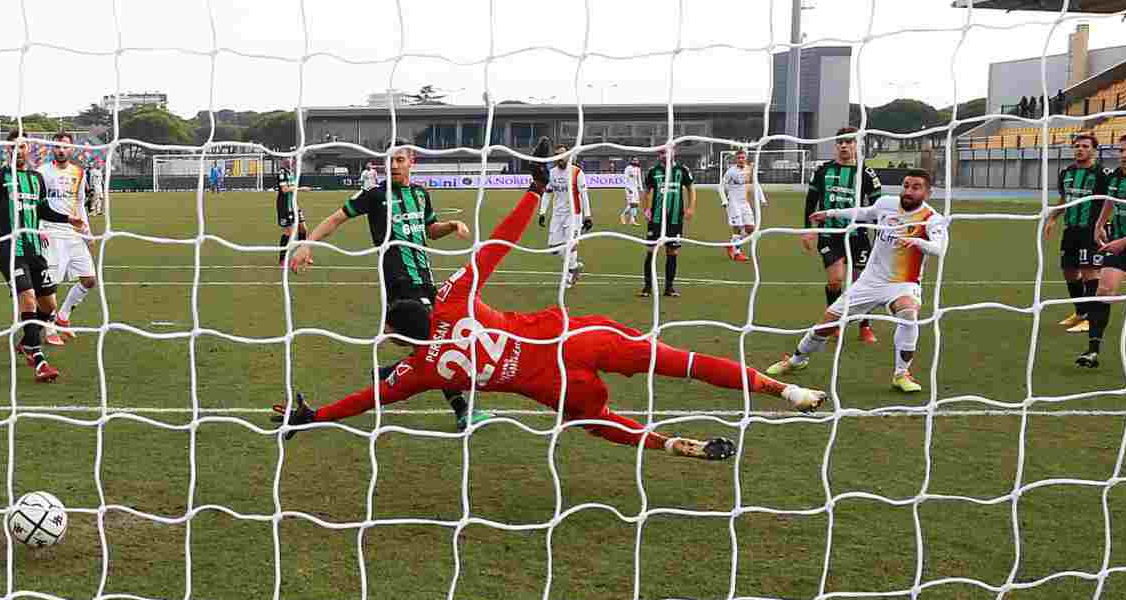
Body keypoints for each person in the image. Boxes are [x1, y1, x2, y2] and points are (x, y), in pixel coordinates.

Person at [273, 138, 827, 457]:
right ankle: (780, 388)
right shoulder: (452, 297)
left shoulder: (423, 370)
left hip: (551, 387)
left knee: (597, 419)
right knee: (679, 363)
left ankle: (673, 445)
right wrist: (535, 185)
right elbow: (503, 239)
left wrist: (314, 415)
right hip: (575, 339)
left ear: (401, 337)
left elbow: (369, 398)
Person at [288, 139, 489, 431]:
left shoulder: (421, 194)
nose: (393, 165)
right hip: (399, 286)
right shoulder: (374, 194)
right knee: (438, 344)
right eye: (389, 160)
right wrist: (307, 244)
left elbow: (430, 230)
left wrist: (452, 226)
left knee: (438, 344)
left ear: (412, 162)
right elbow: (336, 218)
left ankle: (388, 373)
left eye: (400, 160)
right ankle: (462, 411)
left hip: (427, 284)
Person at [767, 169, 948, 394]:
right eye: (906, 185)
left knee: (909, 313)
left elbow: (940, 248)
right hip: (870, 281)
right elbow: (863, 212)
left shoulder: (933, 219)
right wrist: (830, 213)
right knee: (825, 325)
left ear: (928, 193)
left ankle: (902, 374)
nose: (908, 191)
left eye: (916, 187)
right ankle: (796, 360)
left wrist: (917, 242)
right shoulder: (887, 204)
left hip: (904, 282)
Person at [0, 130, 85, 382]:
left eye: (23, 147)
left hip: (34, 251)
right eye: (14, 147)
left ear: (29, 149)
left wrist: (68, 218)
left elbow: (44, 210)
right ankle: (38, 359)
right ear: (8, 150)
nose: (19, 151)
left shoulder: (35, 178)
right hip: (10, 251)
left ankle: (28, 340)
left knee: (49, 306)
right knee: (28, 300)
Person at [803, 127, 885, 344]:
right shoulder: (822, 171)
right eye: (840, 142)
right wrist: (809, 230)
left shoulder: (866, 174)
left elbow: (877, 209)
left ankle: (865, 325)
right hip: (830, 234)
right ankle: (834, 323)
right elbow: (810, 202)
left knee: (862, 283)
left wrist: (878, 238)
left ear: (857, 145)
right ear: (836, 145)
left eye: (849, 142)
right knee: (835, 280)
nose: (844, 146)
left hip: (858, 236)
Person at [1045, 134, 1112, 334]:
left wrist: (1105, 226)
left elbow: (1111, 201)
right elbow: (1065, 198)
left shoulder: (1103, 174)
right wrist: (1053, 218)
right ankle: (1081, 313)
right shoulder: (1066, 172)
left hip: (1091, 231)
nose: (1080, 149)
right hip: (1071, 230)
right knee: (1069, 271)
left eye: (1085, 146)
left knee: (1090, 271)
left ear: (1094, 150)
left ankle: (1091, 318)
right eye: (1077, 146)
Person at [38, 131, 96, 345]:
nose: (61, 150)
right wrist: (38, 229)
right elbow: (37, 205)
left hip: (73, 233)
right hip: (51, 232)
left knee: (89, 280)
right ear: (52, 149)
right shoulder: (41, 172)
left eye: (65, 147)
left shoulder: (79, 173)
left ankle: (63, 317)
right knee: (51, 285)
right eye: (57, 147)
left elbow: (80, 203)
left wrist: (86, 231)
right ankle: (49, 328)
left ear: (71, 149)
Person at [1079, 133, 1126, 368]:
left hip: (1123, 243)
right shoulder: (1117, 175)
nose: (1124, 155)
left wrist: (1124, 240)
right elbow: (1110, 200)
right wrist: (1099, 224)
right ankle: (1092, 351)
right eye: (1121, 151)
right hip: (1120, 246)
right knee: (1104, 290)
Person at [640, 147, 696, 298]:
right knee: (651, 251)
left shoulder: (682, 170)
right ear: (659, 155)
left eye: (667, 152)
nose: (664, 155)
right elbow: (646, 192)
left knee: (672, 252)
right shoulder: (653, 171)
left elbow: (691, 188)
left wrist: (690, 208)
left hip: (675, 219)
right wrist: (646, 209)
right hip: (656, 219)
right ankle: (647, 287)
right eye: (662, 152)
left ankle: (669, 288)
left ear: (674, 153)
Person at [537, 143, 592, 288]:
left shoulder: (577, 172)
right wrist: (542, 212)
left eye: (562, 154)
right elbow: (548, 193)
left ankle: (568, 277)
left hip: (574, 215)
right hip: (557, 214)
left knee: (570, 245)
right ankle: (574, 267)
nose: (560, 158)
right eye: (557, 155)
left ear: (568, 156)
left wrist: (588, 216)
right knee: (553, 248)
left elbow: (584, 195)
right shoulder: (552, 172)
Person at [718, 150, 764, 263]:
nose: (741, 160)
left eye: (743, 157)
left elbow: (755, 183)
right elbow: (720, 187)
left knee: (751, 229)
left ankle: (731, 244)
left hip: (744, 203)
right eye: (739, 158)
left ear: (746, 158)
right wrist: (724, 201)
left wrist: (762, 199)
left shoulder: (749, 169)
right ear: (736, 159)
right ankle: (737, 253)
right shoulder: (730, 172)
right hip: (733, 203)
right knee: (738, 227)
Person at [275, 157, 308, 267]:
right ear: (284, 161)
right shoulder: (282, 173)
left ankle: (301, 255)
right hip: (285, 206)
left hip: (294, 205)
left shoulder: (291, 172)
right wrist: (300, 188)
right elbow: (284, 190)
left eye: (293, 160)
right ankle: (282, 258)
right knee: (288, 232)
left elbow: (291, 189)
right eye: (290, 159)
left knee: (303, 228)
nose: (292, 162)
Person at [620, 157, 643, 225]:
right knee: (632, 204)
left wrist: (641, 188)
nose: (636, 161)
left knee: (636, 204)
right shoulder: (628, 168)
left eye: (637, 160)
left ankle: (632, 220)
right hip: (629, 188)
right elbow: (625, 179)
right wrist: (628, 188)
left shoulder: (638, 168)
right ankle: (623, 215)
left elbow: (639, 179)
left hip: (635, 188)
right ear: (632, 161)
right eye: (634, 160)